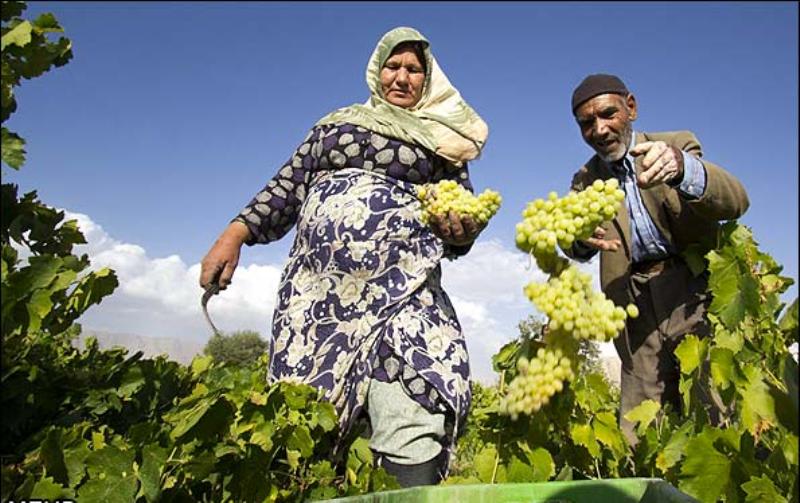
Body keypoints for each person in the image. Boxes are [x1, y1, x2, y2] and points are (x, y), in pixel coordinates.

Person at [199, 27, 488, 486]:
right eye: (393, 66)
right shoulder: (335, 127)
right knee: (308, 424)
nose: (402, 77)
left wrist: (460, 229)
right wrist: (235, 233)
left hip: (404, 293)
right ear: (377, 70)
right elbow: (286, 187)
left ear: (428, 80)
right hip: (319, 302)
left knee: (413, 400)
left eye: (414, 70)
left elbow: (459, 217)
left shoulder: (444, 143)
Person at [562, 74, 749, 445]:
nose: (599, 129)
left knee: (713, 404)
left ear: (630, 108)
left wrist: (683, 169)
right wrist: (578, 240)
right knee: (640, 422)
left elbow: (736, 201)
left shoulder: (674, 145)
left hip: (693, 292)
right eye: (587, 122)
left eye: (607, 114)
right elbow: (573, 243)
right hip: (634, 303)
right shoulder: (585, 180)